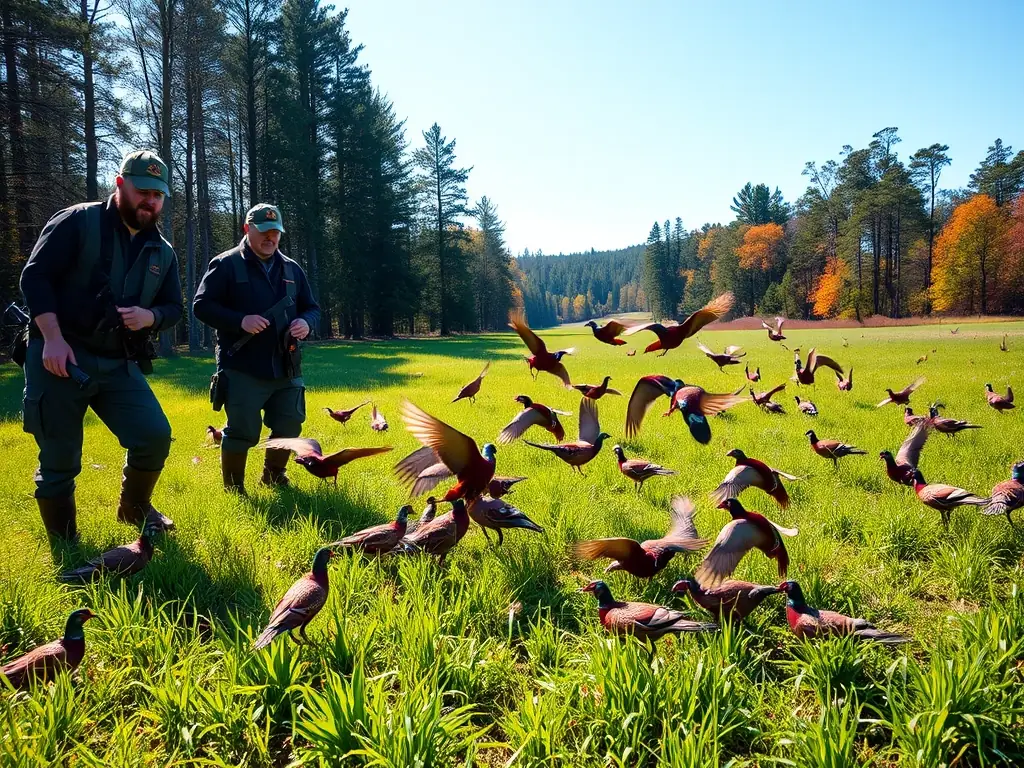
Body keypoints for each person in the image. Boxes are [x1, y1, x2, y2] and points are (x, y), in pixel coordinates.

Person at [19, 150, 183, 541]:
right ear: (121, 184)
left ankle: (134, 508)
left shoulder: (163, 251)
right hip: (61, 356)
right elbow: (35, 278)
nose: (150, 201)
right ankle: (66, 544)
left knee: (154, 435)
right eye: (143, 191)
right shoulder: (78, 221)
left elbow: (174, 306)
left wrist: (151, 318)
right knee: (60, 458)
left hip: (118, 361)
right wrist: (53, 340)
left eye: (158, 195)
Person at [193, 204, 320, 493]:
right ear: (247, 229)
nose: (270, 238)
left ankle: (274, 476)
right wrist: (240, 321)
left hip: (286, 365)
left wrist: (306, 322)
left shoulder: (291, 269)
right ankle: (234, 489)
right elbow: (201, 306)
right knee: (241, 432)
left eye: (276, 232)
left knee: (290, 425)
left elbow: (312, 307)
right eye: (264, 232)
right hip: (242, 366)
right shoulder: (225, 264)